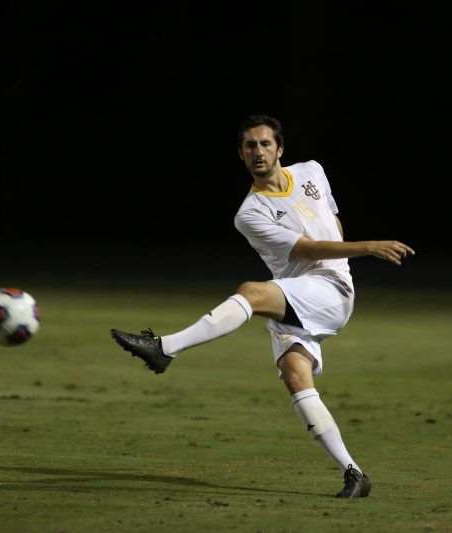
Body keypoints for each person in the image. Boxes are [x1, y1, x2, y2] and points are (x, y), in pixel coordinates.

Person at [111, 115, 414, 499]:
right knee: (295, 378)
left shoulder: (312, 171)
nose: (258, 151)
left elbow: (333, 223)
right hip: (292, 296)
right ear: (240, 154)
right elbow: (307, 248)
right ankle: (354, 472)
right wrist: (368, 246)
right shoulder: (249, 213)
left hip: (331, 289)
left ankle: (164, 348)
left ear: (280, 149)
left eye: (265, 144)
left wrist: (352, 257)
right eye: (250, 146)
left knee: (251, 292)